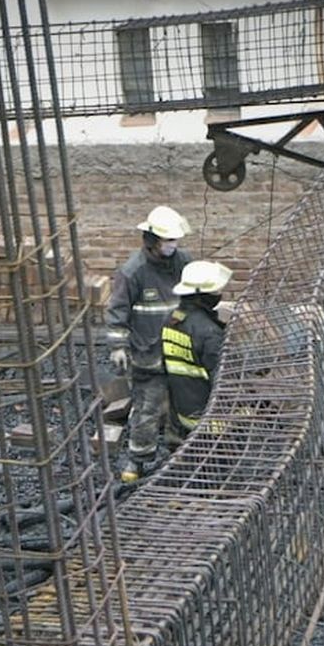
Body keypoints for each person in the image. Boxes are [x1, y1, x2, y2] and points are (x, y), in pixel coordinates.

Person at [105, 206, 193, 482]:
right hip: (148, 355)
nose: (172, 246)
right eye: (168, 241)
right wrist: (118, 347)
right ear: (152, 239)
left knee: (183, 407)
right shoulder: (134, 272)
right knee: (147, 410)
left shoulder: (183, 263)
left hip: (179, 351)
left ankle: (178, 456)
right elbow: (117, 310)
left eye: (175, 240)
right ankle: (138, 461)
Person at [161, 260, 232, 446]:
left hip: (181, 415)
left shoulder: (172, 319)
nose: (218, 294)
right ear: (202, 295)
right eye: (215, 291)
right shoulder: (209, 333)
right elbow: (223, 382)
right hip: (210, 424)